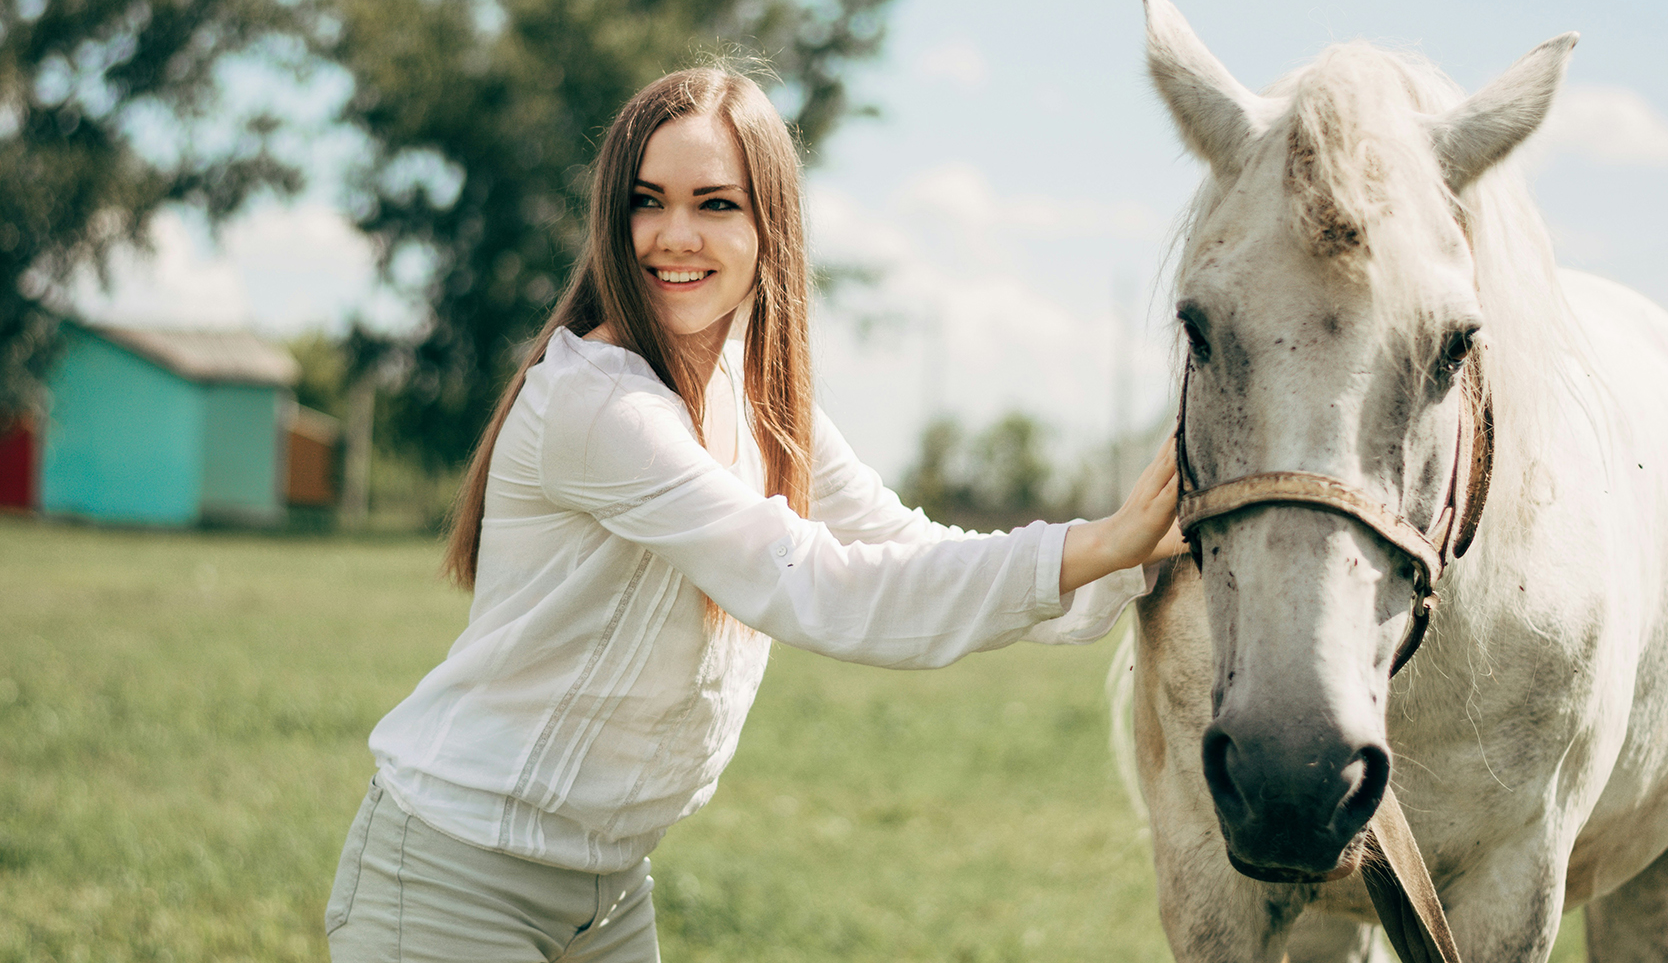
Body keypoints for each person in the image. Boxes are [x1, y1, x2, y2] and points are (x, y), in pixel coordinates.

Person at [325, 65, 1185, 962]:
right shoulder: (598, 405)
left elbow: (904, 548)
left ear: (770, 222)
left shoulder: (768, 402)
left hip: (609, 892)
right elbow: (814, 583)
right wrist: (1096, 545)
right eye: (646, 202)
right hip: (451, 881)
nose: (674, 235)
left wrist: (1131, 556)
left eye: (716, 204)